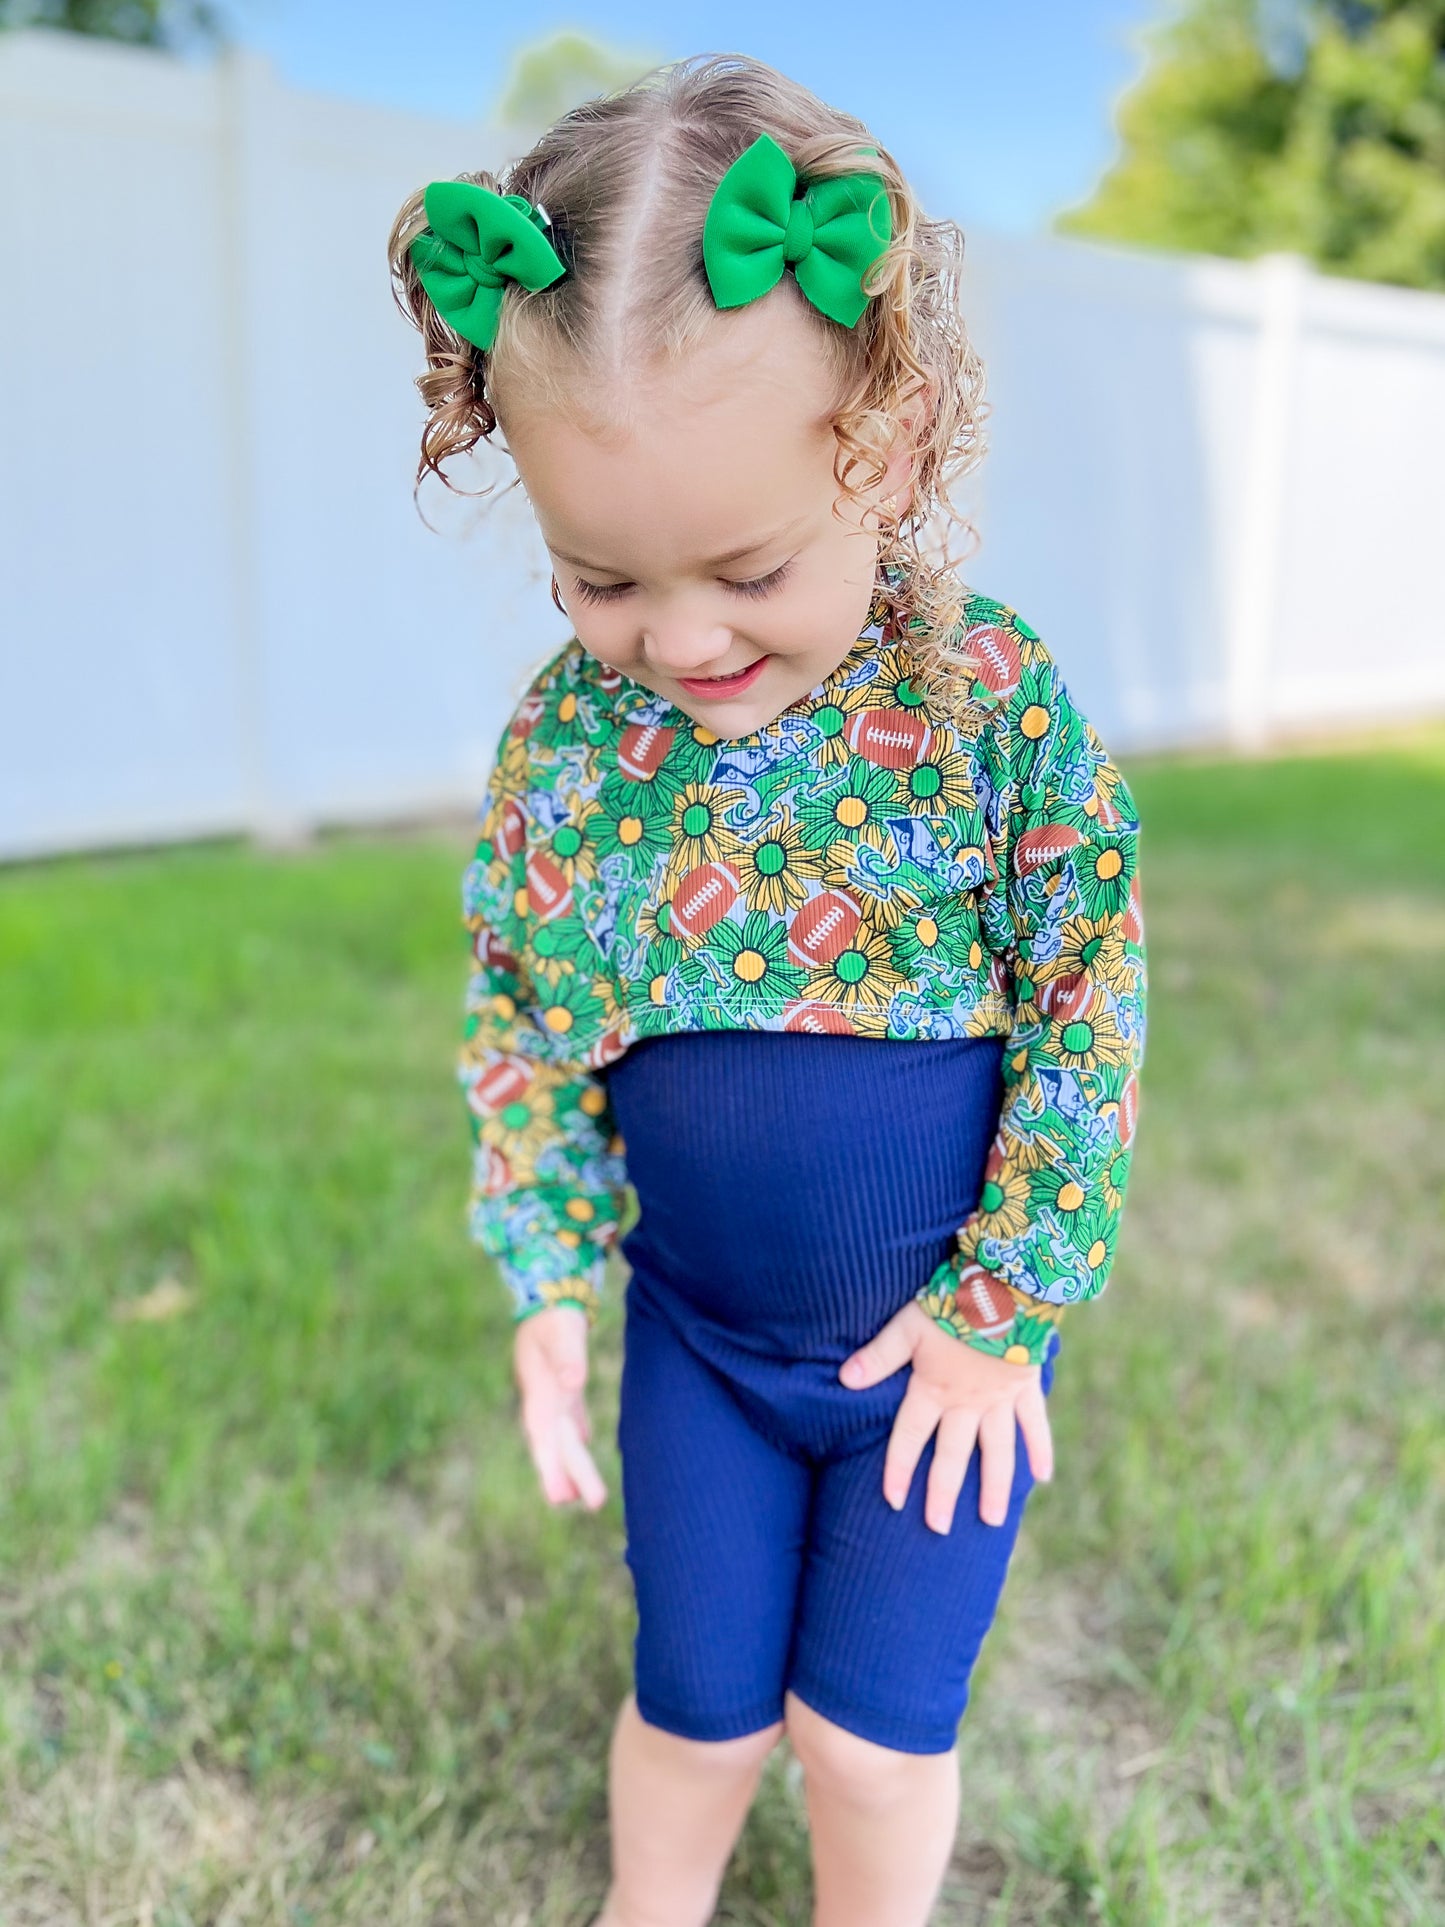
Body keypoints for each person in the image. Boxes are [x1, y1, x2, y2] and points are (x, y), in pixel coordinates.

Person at [387, 51, 1147, 1927]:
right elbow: (523, 1020)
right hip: (703, 1352)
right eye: (599, 581)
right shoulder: (576, 750)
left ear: (877, 447)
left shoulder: (979, 701)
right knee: (701, 1713)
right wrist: (550, 1272)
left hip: (936, 1363)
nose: (682, 639)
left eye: (745, 568)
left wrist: (1005, 1306)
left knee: (867, 1741)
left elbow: (1085, 989)